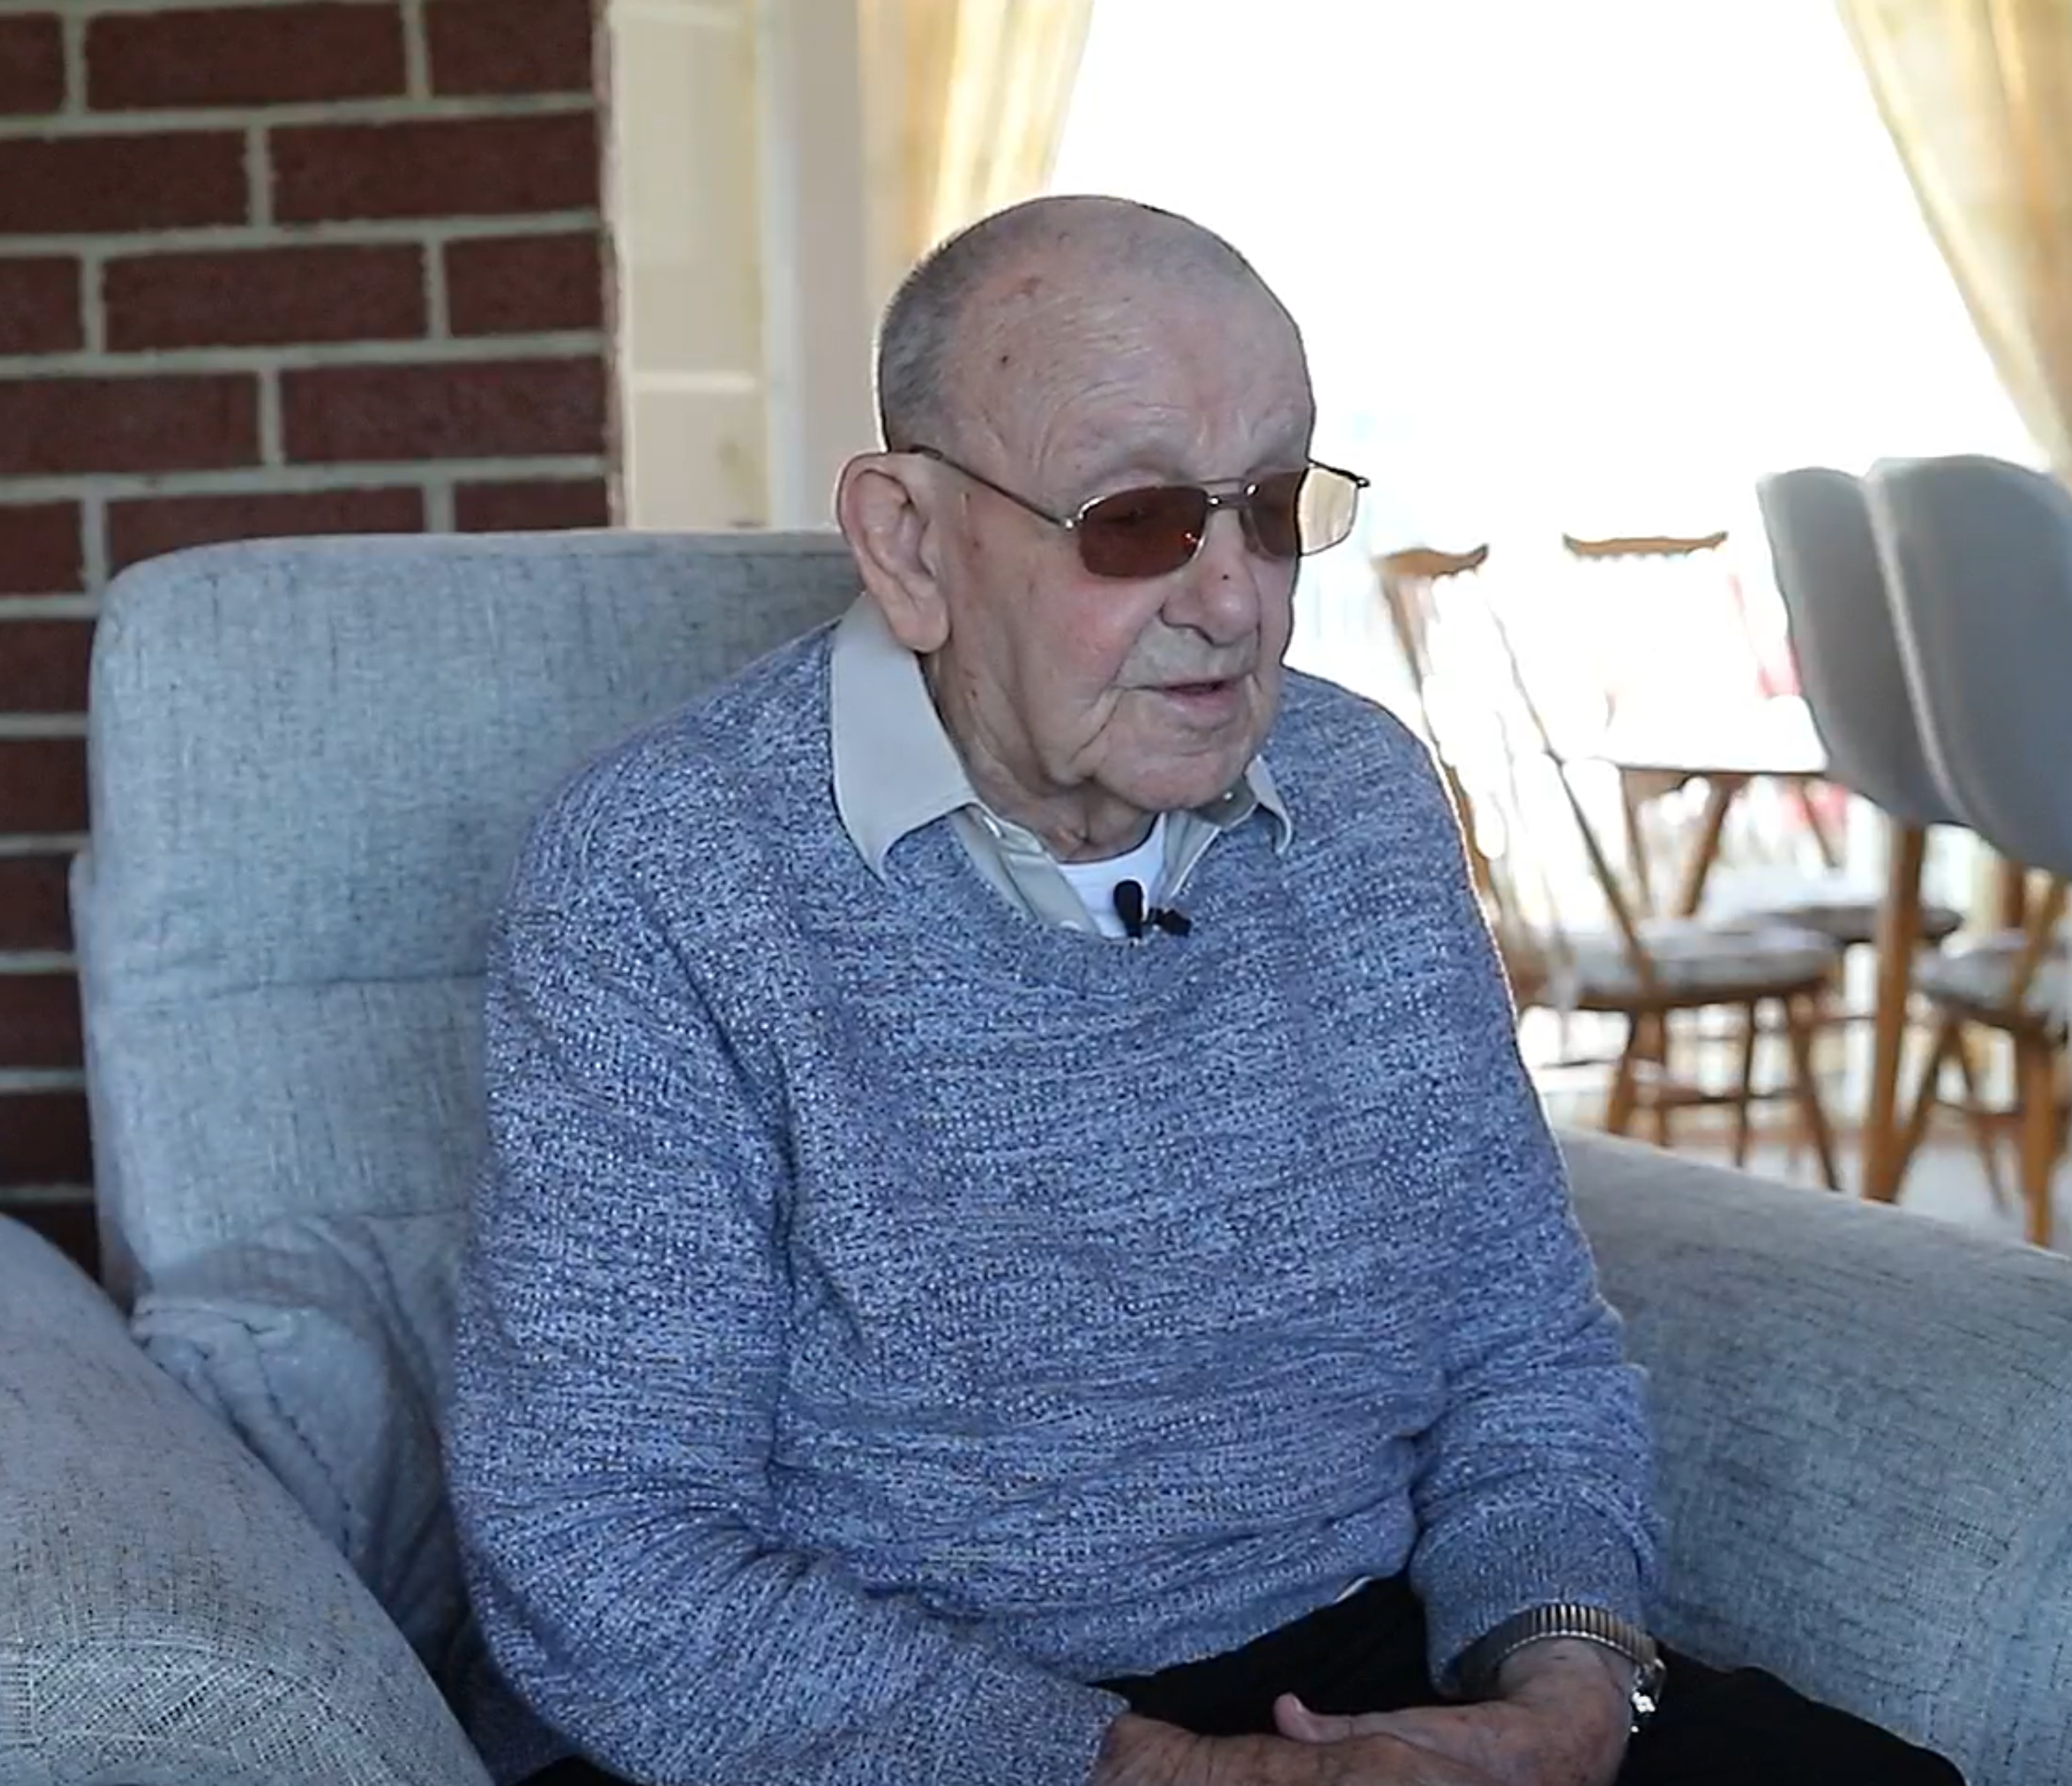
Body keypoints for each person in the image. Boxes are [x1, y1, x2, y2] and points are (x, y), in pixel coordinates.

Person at [448, 195, 1961, 1786]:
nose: (1234, 598)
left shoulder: (1359, 796)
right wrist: (1158, 1773)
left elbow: (1523, 1354)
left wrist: (1564, 1698)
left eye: (1274, 506)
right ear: (910, 542)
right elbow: (602, 1558)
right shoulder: (664, 876)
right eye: (1137, 521)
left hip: (1360, 1671)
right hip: (903, 1732)